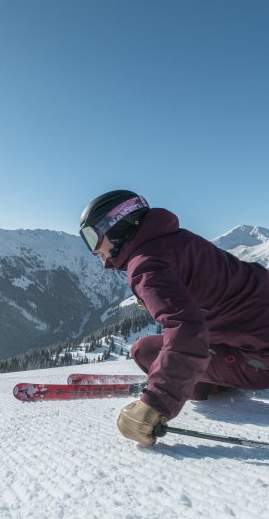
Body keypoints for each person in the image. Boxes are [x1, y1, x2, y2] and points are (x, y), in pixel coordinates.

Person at [79, 190, 269, 446]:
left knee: (144, 352)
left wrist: (157, 401)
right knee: (158, 352)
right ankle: (199, 381)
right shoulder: (177, 240)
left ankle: (199, 381)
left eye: (91, 237)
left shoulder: (146, 263)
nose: (93, 251)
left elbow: (187, 331)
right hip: (250, 336)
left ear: (116, 226)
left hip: (261, 356)